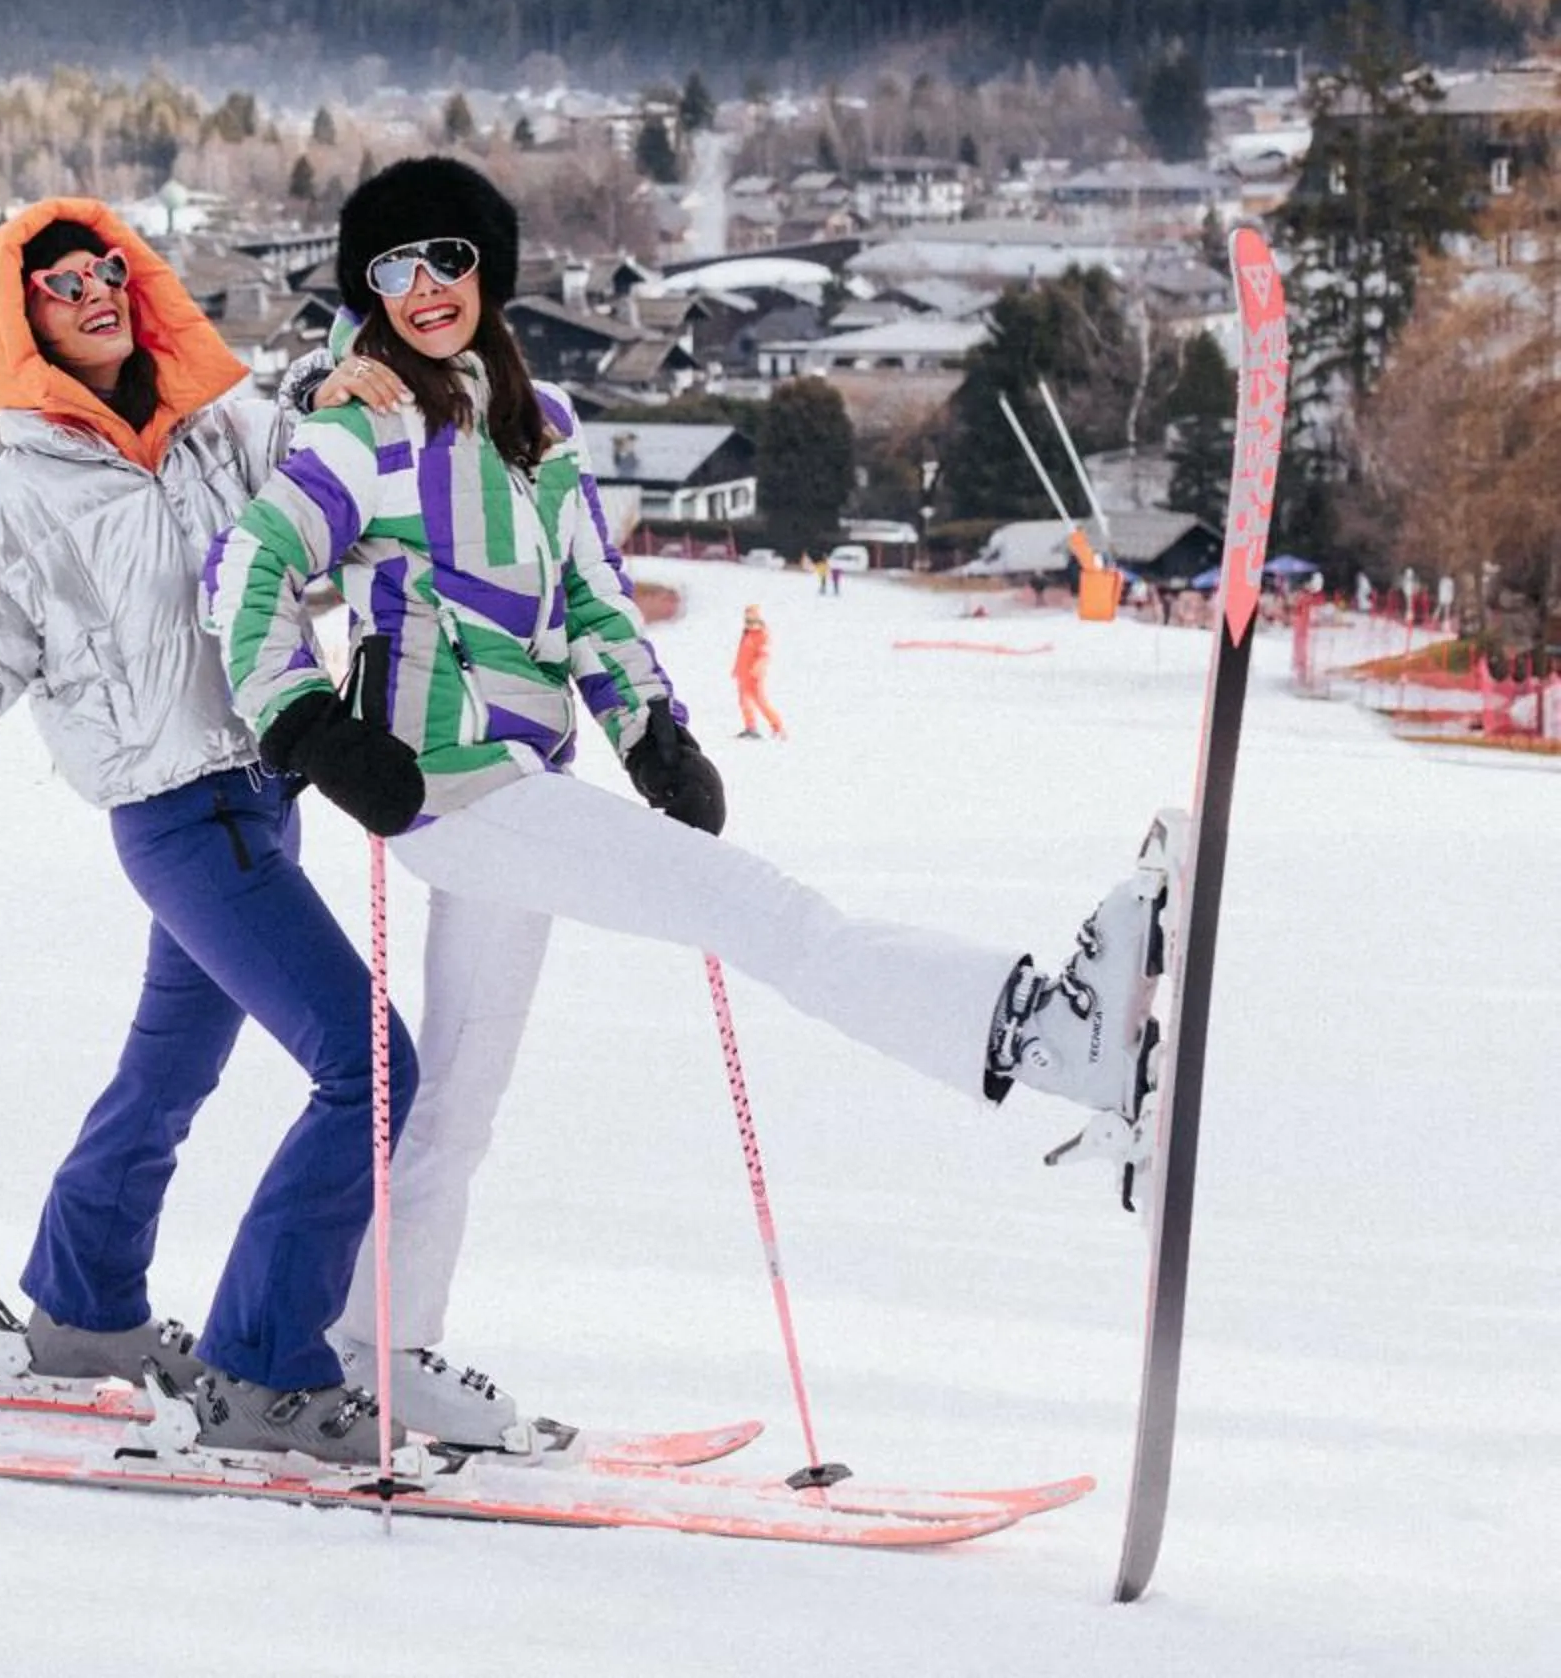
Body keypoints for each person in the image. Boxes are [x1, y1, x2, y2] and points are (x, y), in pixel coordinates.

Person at [204, 157, 1167, 1445]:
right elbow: (245, 571)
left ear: (491, 267)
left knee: (456, 1104)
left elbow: (594, 596)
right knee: (756, 910)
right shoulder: (357, 425)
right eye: (390, 270)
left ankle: (382, 1344)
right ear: (364, 292)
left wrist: (652, 727)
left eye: (446, 259)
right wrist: (311, 723)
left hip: (529, 771)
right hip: (446, 785)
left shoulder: (539, 421)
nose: (423, 290)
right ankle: (1040, 1032)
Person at [0, 199, 421, 1463]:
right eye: (59, 283)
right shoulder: (17, 502)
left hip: (264, 797)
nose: (93, 291)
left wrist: (360, 378)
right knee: (372, 1069)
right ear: (16, 325)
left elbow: (331, 479)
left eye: (107, 271)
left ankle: (82, 1308)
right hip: (181, 823)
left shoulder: (222, 435)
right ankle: (261, 1368)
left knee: (168, 1076)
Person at [732, 605, 786, 741]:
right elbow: (741, 653)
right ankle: (750, 727)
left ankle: (777, 726)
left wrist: (757, 668)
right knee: (744, 701)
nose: (749, 624)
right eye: (747, 620)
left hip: (755, 675)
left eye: (752, 620)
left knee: (760, 701)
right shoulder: (747, 634)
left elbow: (764, 654)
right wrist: (736, 669)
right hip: (743, 674)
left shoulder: (761, 634)